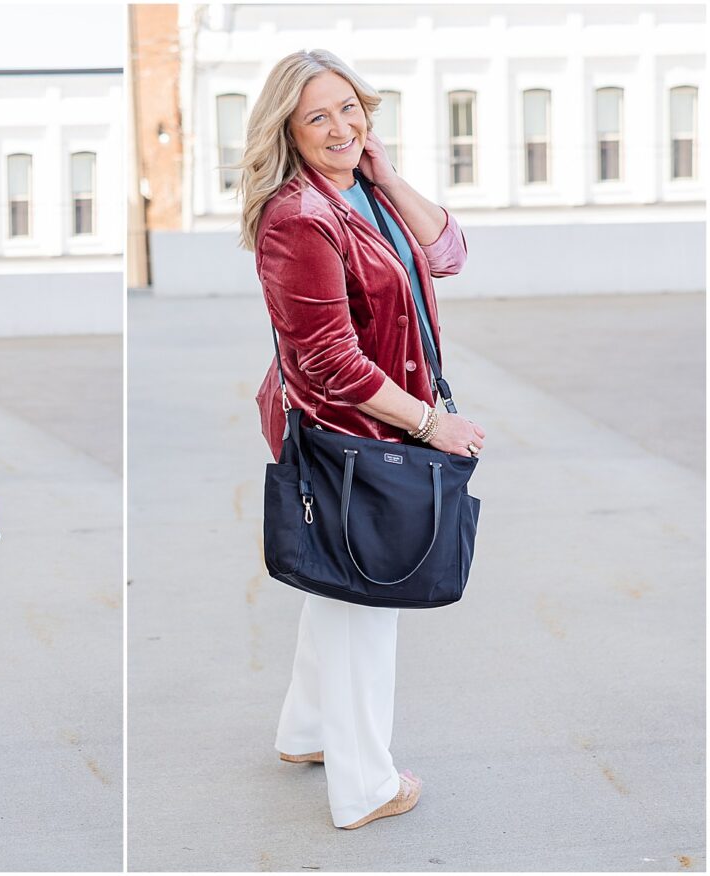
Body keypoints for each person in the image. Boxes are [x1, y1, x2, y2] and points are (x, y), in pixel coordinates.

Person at [239, 51, 487, 830]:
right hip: (349, 433)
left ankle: (305, 731)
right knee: (367, 602)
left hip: (381, 422)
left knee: (341, 589)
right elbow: (329, 362)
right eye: (318, 116)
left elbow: (447, 254)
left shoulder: (363, 191)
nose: (341, 127)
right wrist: (431, 423)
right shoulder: (296, 217)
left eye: (350, 108)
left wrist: (385, 172)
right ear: (287, 128)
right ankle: (363, 787)